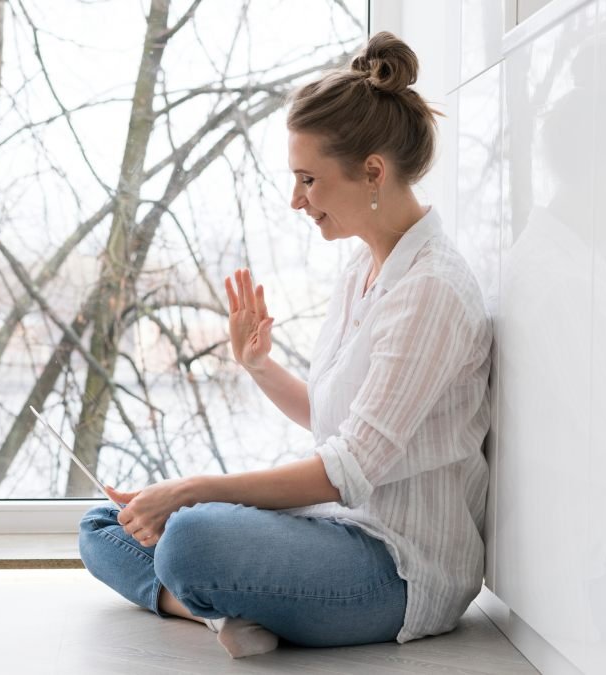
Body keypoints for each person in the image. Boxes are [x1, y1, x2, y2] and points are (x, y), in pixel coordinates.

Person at [78, 31, 492, 659]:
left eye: (308, 179)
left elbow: (344, 469)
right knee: (105, 526)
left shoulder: (431, 290)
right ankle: (219, 613)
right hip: (340, 532)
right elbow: (335, 423)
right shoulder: (364, 269)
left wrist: (193, 489)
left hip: (399, 569)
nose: (296, 200)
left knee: (187, 535)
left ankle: (212, 602)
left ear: (373, 172)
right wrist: (260, 365)